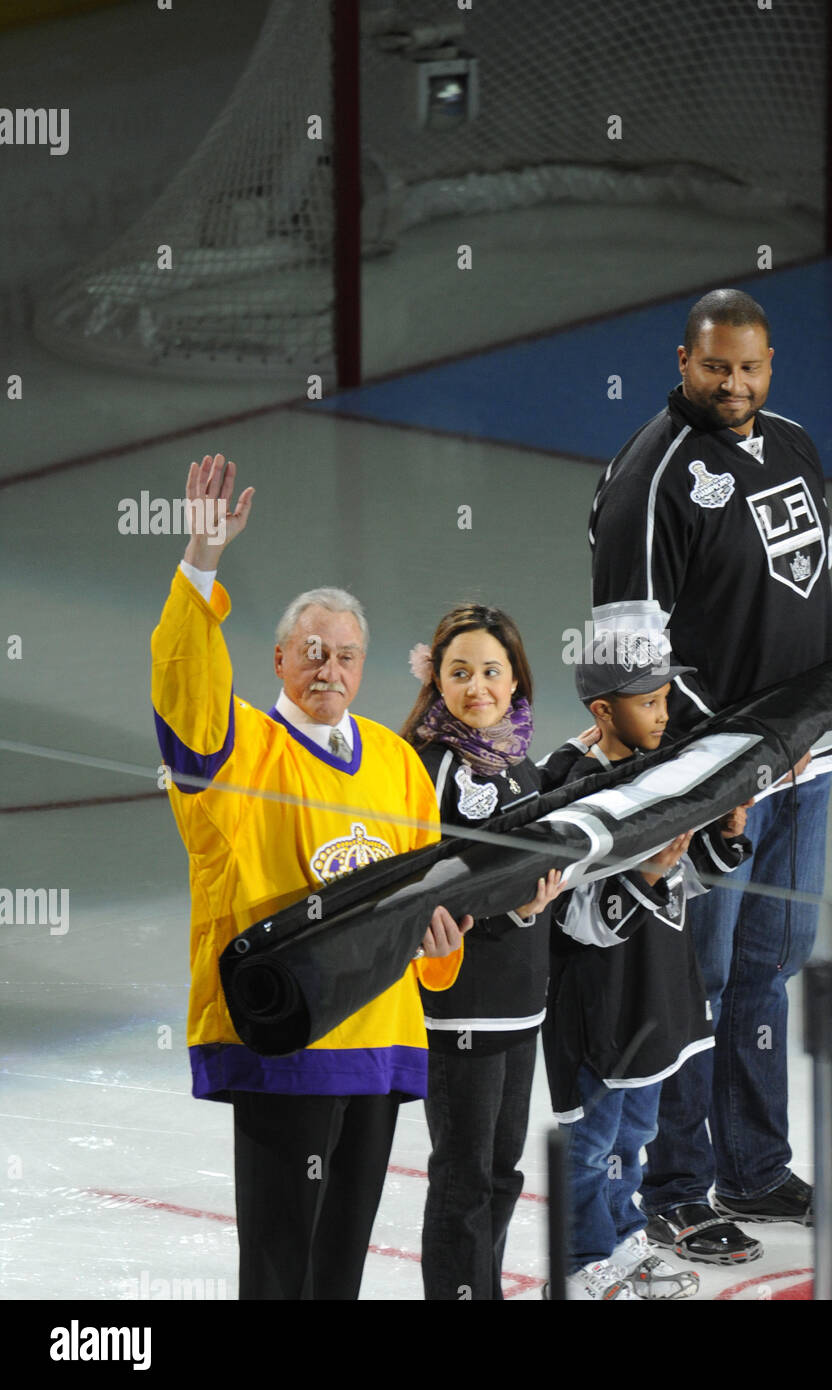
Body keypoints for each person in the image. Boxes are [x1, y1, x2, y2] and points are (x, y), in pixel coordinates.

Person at [588, 289, 832, 1265]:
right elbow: (626, 652)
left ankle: (756, 1168)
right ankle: (674, 1189)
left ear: (773, 364)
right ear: (682, 360)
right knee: (700, 978)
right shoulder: (651, 476)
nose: (734, 385)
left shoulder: (795, 443)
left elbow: (809, 590)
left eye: (751, 367)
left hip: (805, 758)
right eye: (716, 366)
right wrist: (678, 784)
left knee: (770, 965)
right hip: (717, 777)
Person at [152, 454, 469, 1299]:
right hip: (287, 1036)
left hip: (378, 1042)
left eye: (347, 656)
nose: (330, 669)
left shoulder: (399, 763)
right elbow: (185, 687)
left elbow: (421, 902)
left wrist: (440, 947)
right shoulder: (237, 745)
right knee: (280, 1269)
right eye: (313, 652)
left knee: (337, 1272)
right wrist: (202, 559)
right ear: (281, 658)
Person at [543, 636, 751, 1298]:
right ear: (603, 711)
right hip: (599, 1003)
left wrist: (726, 836)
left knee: (635, 1130)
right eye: (650, 702)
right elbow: (573, 915)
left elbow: (687, 879)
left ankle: (624, 1241)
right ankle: (579, 1262)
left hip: (657, 993)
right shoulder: (570, 785)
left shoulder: (660, 769)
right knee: (591, 1139)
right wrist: (647, 877)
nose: (664, 714)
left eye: (665, 699)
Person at [401, 606, 563, 1300]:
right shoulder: (428, 766)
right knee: (464, 1174)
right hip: (459, 1002)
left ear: (515, 678)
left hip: (520, 1001)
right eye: (459, 672)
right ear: (434, 678)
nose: (477, 688)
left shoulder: (520, 760)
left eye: (491, 672)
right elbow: (427, 881)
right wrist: (517, 904)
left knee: (502, 1172)